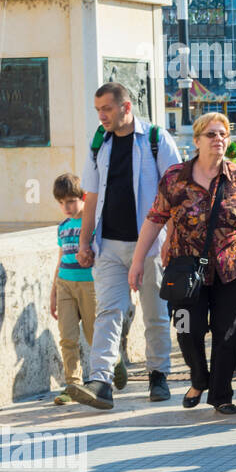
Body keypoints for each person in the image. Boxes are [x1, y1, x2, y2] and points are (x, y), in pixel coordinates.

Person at [129, 112, 236, 416]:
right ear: (196, 141)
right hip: (184, 270)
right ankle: (198, 378)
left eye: (223, 134)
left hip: (234, 268)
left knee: (228, 332)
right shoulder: (175, 178)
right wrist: (138, 261)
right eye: (211, 134)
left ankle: (221, 395)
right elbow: (155, 220)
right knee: (185, 329)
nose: (219, 139)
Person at [68, 83, 182, 410]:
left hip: (150, 245)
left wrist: (171, 242)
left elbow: (174, 196)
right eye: (98, 110)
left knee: (155, 313)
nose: (102, 115)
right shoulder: (98, 144)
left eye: (107, 108)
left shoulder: (157, 140)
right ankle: (100, 381)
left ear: (126, 107)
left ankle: (158, 374)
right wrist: (84, 241)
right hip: (109, 245)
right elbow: (90, 198)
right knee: (108, 311)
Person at [50, 174, 96, 405]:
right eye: (61, 203)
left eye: (70, 201)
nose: (65, 207)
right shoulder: (63, 227)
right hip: (65, 284)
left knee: (93, 334)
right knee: (67, 337)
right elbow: (60, 260)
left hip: (89, 285)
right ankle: (73, 385)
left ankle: (111, 365)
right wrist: (54, 292)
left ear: (82, 197)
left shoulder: (92, 222)